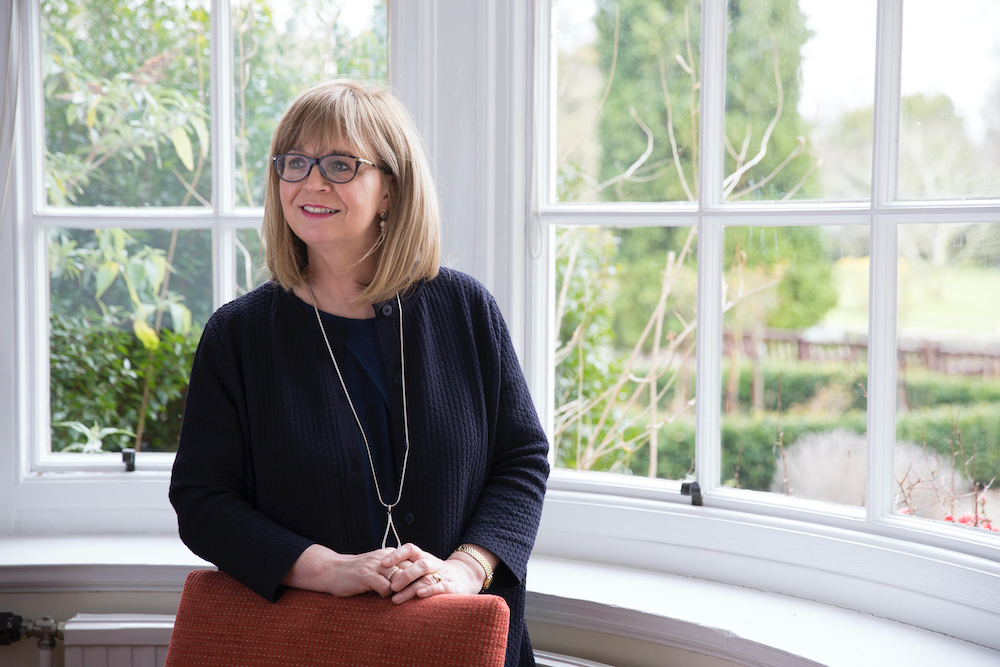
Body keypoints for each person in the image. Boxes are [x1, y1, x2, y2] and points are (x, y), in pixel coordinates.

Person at [168, 79, 549, 667]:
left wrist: (467, 569)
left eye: (340, 164)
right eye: (295, 162)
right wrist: (329, 568)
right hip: (305, 644)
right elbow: (202, 500)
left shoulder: (466, 309)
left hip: (455, 639)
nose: (310, 182)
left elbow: (520, 457)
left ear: (391, 191)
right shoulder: (238, 335)